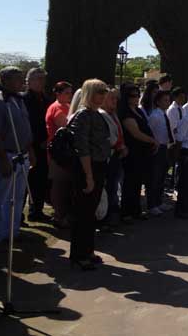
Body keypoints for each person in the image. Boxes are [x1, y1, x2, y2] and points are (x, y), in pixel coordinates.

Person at [0, 67, 37, 249]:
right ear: (5, 80)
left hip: (22, 154)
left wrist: (31, 151)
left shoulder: (18, 99)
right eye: (18, 79)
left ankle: (11, 232)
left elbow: (25, 127)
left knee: (17, 196)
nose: (22, 82)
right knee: (0, 197)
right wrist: (3, 159)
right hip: (6, 155)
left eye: (22, 78)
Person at [67, 79, 110, 270]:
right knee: (83, 213)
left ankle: (88, 250)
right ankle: (79, 254)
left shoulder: (96, 114)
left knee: (90, 213)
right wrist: (89, 176)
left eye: (104, 91)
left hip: (98, 166)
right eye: (99, 92)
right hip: (87, 168)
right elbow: (82, 148)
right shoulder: (83, 115)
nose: (103, 95)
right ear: (89, 93)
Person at [119, 84, 158, 223]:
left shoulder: (138, 111)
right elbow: (135, 133)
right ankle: (126, 212)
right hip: (132, 153)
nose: (136, 98)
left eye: (137, 94)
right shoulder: (125, 112)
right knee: (130, 183)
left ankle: (136, 210)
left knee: (137, 184)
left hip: (142, 152)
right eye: (133, 95)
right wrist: (152, 140)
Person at [22, 68, 51, 222]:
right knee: (23, 184)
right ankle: (18, 216)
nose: (41, 82)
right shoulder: (23, 99)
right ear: (29, 81)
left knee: (40, 181)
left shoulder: (47, 99)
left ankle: (36, 211)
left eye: (43, 78)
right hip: (28, 145)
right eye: (38, 78)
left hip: (44, 146)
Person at [99, 87, 128, 226]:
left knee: (113, 186)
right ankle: (105, 218)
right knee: (108, 187)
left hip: (116, 156)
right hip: (109, 156)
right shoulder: (102, 114)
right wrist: (120, 146)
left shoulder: (113, 114)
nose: (115, 101)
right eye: (112, 98)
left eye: (116, 98)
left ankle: (111, 214)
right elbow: (109, 137)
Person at [46, 81, 73, 228]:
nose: (70, 95)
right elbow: (67, 127)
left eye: (70, 92)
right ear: (58, 93)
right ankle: (58, 215)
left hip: (65, 153)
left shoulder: (66, 106)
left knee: (64, 185)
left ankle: (63, 213)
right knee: (59, 185)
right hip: (59, 153)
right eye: (66, 92)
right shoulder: (57, 108)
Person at [147, 90, 174, 216]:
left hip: (165, 147)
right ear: (158, 102)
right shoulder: (155, 116)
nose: (167, 103)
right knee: (154, 178)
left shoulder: (164, 114)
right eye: (165, 100)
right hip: (157, 148)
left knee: (162, 176)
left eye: (168, 100)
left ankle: (159, 202)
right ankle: (152, 204)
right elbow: (150, 132)